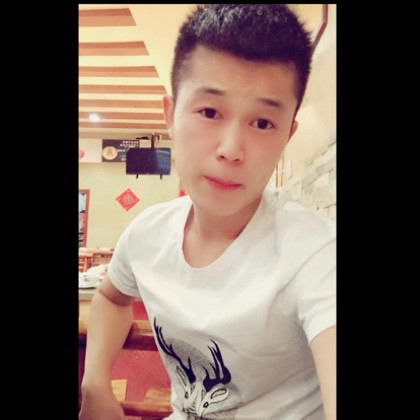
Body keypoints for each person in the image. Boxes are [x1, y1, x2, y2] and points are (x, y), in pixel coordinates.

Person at [79, 4, 336, 420]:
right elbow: (110, 297)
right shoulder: (147, 233)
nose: (231, 149)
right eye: (210, 112)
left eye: (263, 123)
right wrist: (95, 383)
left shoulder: (316, 253)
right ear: (170, 116)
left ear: (288, 134)